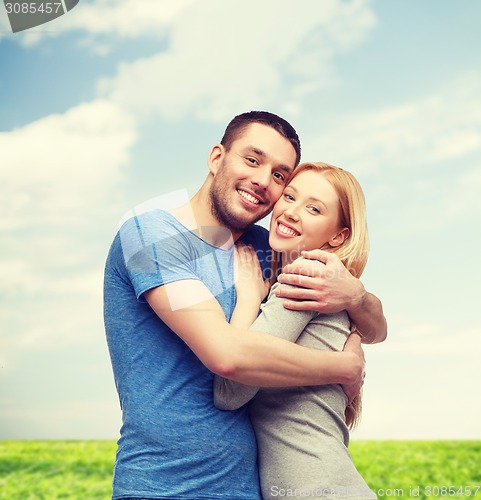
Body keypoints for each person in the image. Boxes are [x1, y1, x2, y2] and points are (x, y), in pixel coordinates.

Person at [103, 111, 386, 500]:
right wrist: (344, 367)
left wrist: (357, 297)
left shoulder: (265, 247)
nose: (262, 181)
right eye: (252, 160)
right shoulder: (152, 235)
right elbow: (229, 357)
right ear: (217, 157)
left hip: (250, 488)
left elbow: (371, 328)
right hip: (165, 485)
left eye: (279, 175)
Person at [214, 162, 379, 499]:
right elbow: (378, 329)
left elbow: (229, 391)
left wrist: (247, 297)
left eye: (314, 208)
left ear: (338, 235)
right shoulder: (319, 279)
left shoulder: (306, 277)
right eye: (289, 196)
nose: (291, 212)